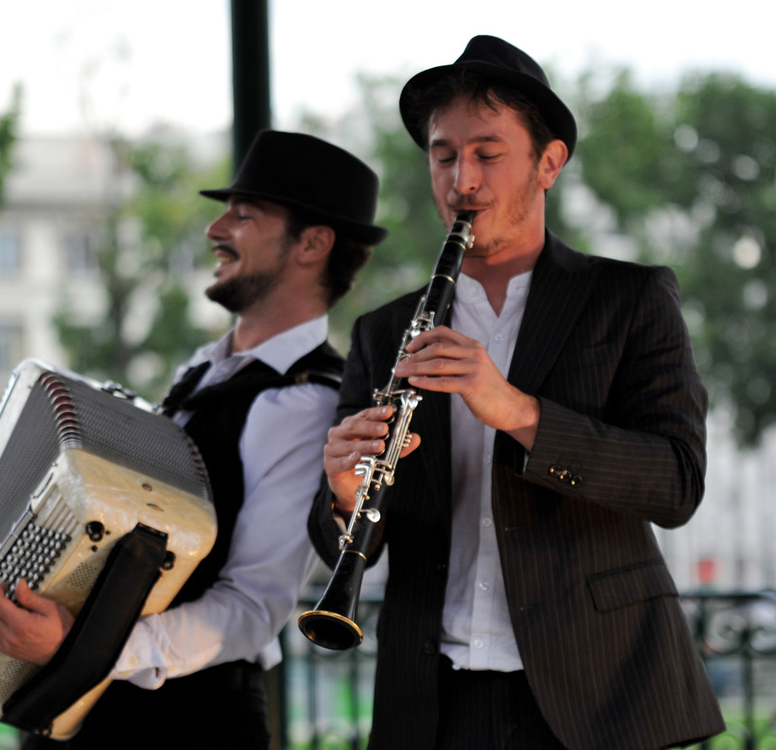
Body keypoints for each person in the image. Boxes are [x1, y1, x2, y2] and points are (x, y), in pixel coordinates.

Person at [308, 36, 725, 750]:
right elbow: (343, 538)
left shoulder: (629, 299)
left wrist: (520, 413)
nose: (461, 180)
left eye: (487, 153)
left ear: (549, 162)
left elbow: (676, 483)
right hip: (433, 701)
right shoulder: (384, 333)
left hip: (597, 694)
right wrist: (346, 495)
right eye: (444, 155)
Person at [0, 130, 388, 749]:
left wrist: (85, 648)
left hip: (190, 724)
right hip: (96, 709)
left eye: (243, 216)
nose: (216, 229)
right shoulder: (202, 368)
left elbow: (250, 612)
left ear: (313, 244)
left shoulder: (309, 403)